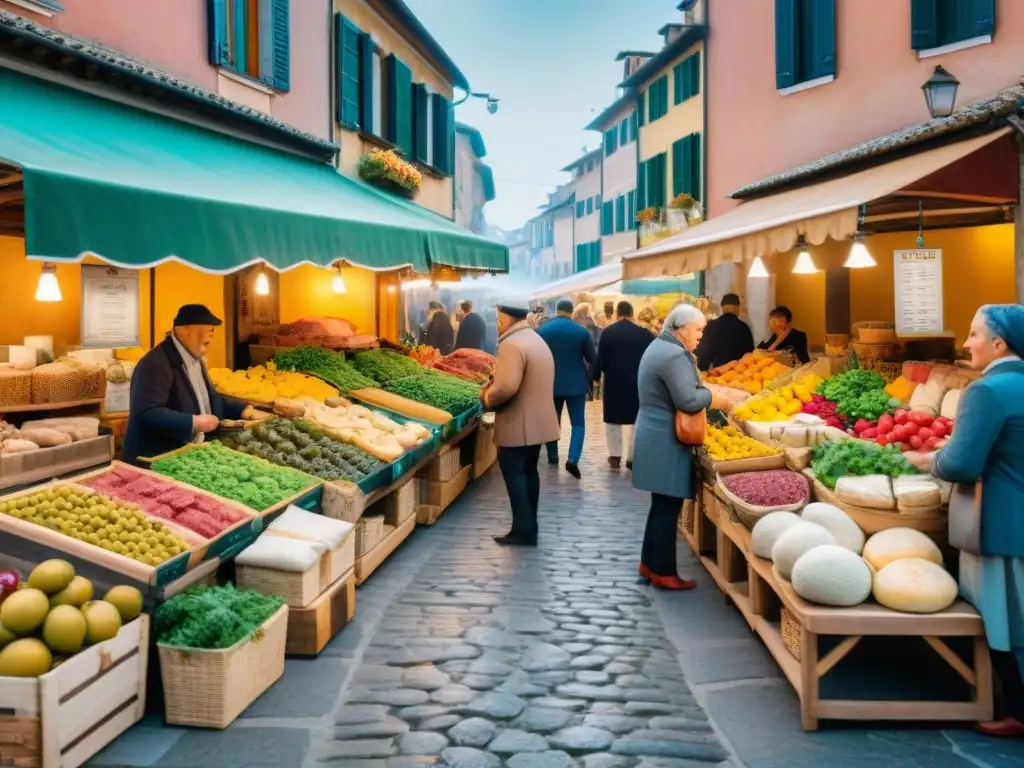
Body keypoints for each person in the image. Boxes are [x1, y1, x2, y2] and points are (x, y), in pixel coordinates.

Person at [906, 304, 1024, 737]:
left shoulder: (987, 391)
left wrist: (923, 458)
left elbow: (960, 464)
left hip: (1001, 522)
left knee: (1007, 619)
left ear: (999, 344)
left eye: (974, 335)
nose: (965, 343)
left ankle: (1018, 713)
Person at [632, 304, 731, 590]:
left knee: (661, 503)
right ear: (681, 328)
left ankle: (649, 563)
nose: (700, 336)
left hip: (654, 431)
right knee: (668, 504)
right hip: (666, 437)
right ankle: (663, 571)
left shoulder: (659, 346)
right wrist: (716, 397)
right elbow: (688, 400)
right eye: (698, 330)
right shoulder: (674, 354)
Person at [122, 304, 250, 465]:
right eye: (207, 328)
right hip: (157, 460)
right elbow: (147, 413)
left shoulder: (196, 361)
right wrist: (193, 422)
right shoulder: (155, 363)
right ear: (184, 330)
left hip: (192, 456)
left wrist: (243, 409)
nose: (212, 333)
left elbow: (209, 400)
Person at [480, 303, 560, 547]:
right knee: (528, 472)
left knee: (515, 473)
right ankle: (528, 525)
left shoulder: (511, 344)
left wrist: (486, 397)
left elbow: (506, 387)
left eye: (497, 318)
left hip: (519, 422)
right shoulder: (534, 339)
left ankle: (523, 530)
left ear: (504, 319)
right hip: (538, 422)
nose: (496, 323)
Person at [591, 301, 655, 470]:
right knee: (636, 420)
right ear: (633, 314)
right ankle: (632, 458)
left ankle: (615, 456)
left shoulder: (608, 333)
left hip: (614, 382)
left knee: (612, 420)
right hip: (638, 383)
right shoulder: (645, 334)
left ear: (618, 314)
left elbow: (601, 358)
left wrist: (595, 375)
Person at [538, 299, 596, 479]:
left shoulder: (542, 330)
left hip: (550, 383)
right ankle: (572, 459)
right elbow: (592, 358)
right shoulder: (581, 331)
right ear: (572, 312)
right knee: (578, 423)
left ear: (557, 310)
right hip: (576, 384)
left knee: (551, 420)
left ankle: (553, 456)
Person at [695, 293, 754, 371]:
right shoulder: (744, 328)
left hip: (714, 374)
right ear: (737, 308)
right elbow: (750, 356)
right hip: (736, 375)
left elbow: (702, 353)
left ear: (722, 308)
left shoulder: (710, 326)